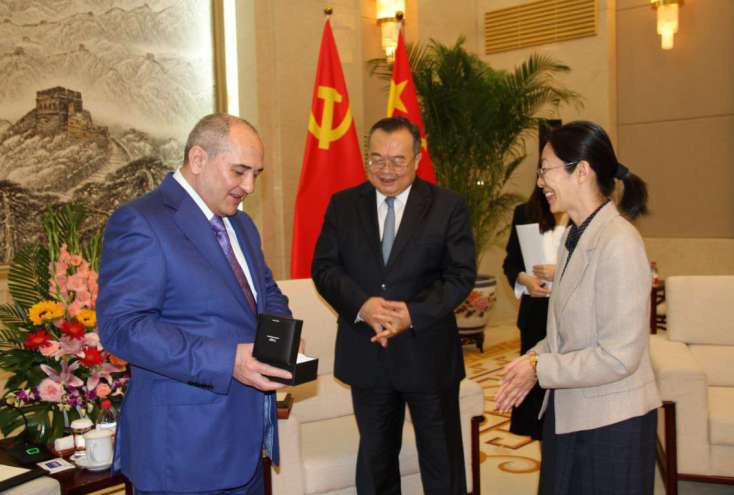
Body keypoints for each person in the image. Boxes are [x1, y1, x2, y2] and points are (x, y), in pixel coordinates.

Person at [97, 113, 293, 494]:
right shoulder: (141, 221)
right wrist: (228, 360)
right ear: (199, 158)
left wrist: (282, 341)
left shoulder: (241, 225)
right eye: (239, 171)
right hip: (183, 455)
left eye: (256, 174)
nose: (249, 186)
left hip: (246, 446)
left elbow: (266, 293)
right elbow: (122, 327)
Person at [311, 116, 476, 494]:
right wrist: (363, 306)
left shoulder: (447, 206)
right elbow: (324, 268)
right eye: (377, 159)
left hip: (428, 354)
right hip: (367, 353)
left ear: (417, 159)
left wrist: (411, 314)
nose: (386, 170)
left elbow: (460, 275)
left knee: (443, 462)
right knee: (376, 464)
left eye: (398, 160)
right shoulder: (343, 204)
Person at [495, 120, 661, 495]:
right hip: (572, 411)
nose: (541, 182)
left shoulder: (619, 242)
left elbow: (619, 356)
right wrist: (531, 360)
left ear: (581, 171)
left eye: (546, 170)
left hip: (612, 424)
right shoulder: (574, 234)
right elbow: (565, 333)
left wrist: (539, 368)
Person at [502, 177, 567, 440]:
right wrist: (524, 280)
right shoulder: (525, 212)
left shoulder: (584, 214)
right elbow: (511, 263)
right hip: (535, 314)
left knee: (564, 391)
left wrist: (560, 271)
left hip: (569, 315)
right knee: (535, 388)